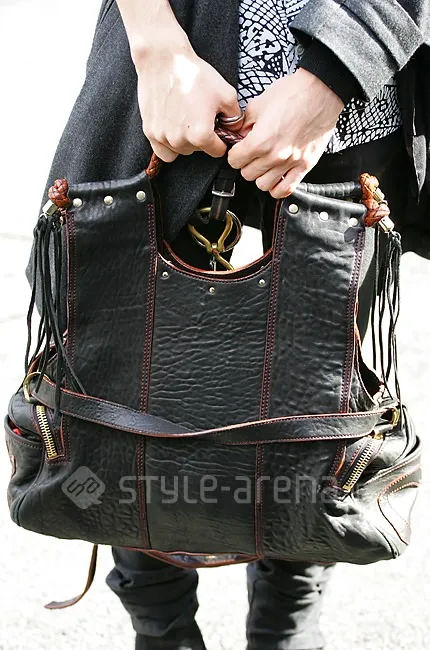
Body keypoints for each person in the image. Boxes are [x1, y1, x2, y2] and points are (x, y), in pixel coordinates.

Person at [40, 1, 430, 649]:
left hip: (348, 94)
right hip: (175, 73)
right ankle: (161, 628)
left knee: (316, 391)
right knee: (123, 375)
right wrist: (157, 47)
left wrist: (330, 76)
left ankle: (286, 623)